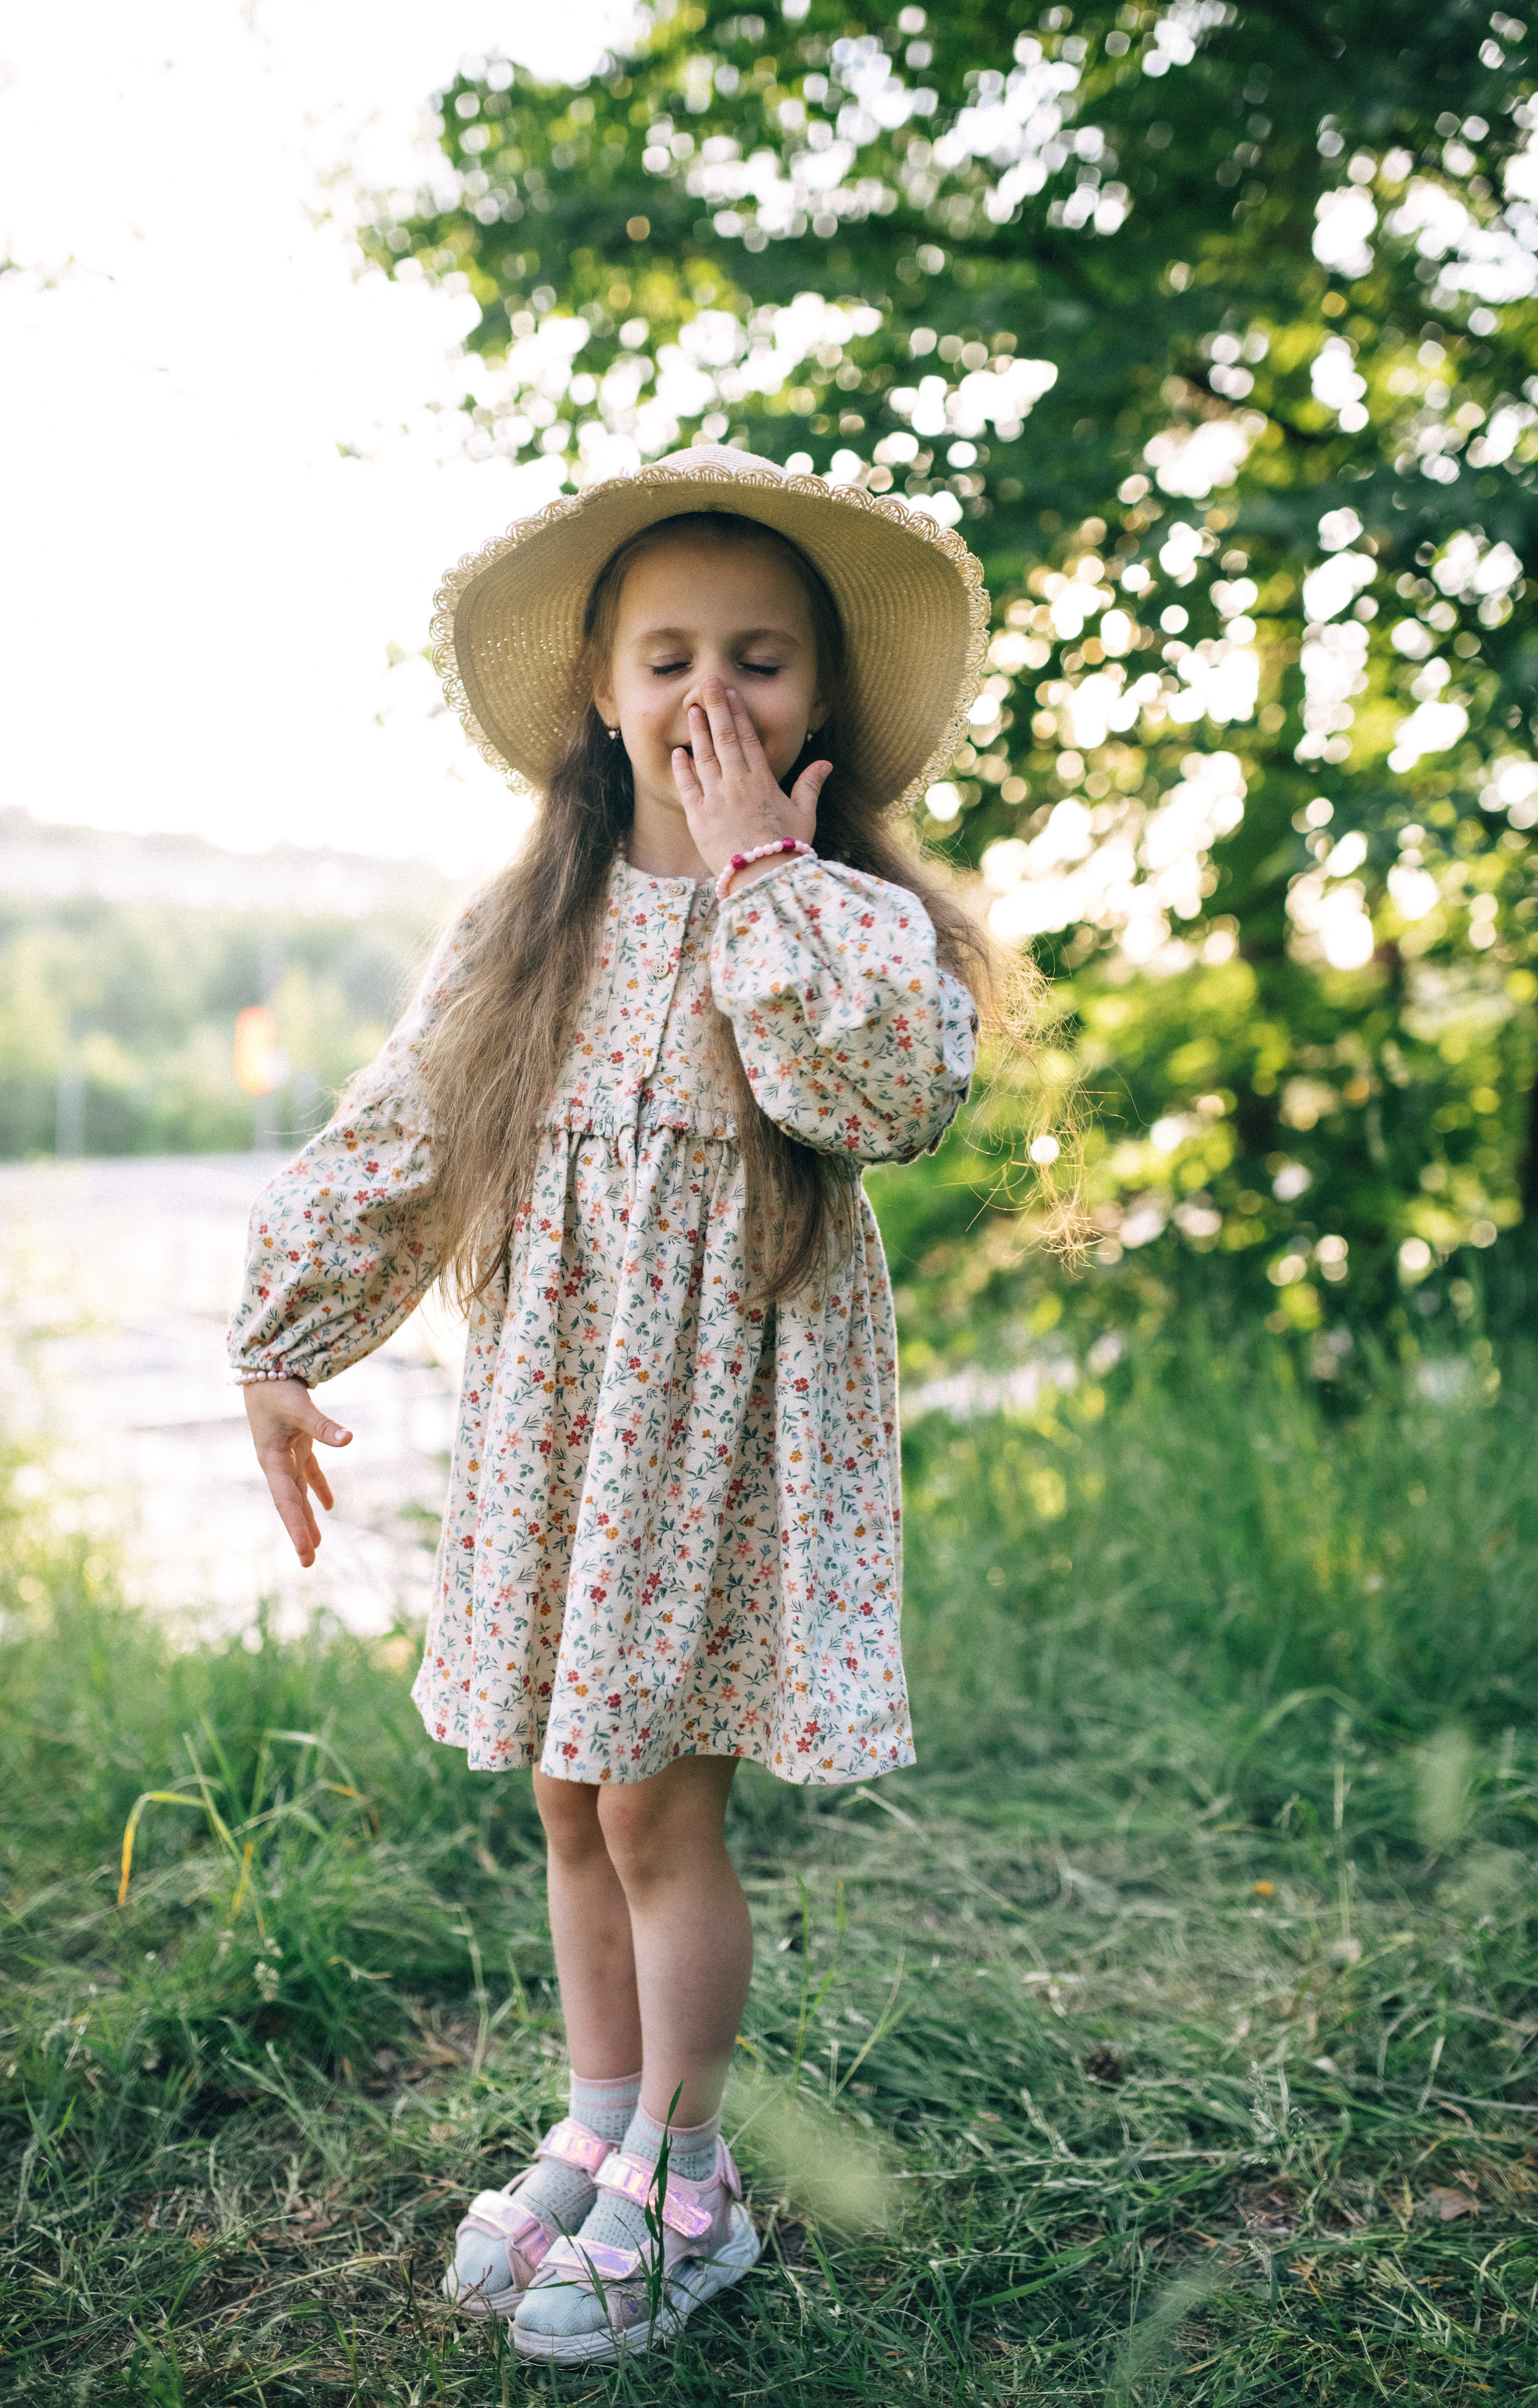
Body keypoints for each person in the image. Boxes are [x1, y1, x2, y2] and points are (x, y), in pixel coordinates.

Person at [229, 441, 1007, 2365]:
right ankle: (599, 2127)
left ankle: (692, 2173)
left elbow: (882, 1092)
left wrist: (759, 870)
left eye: (759, 658)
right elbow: (409, 1135)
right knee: (570, 1793)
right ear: (600, 688)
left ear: (819, 698)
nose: (710, 695)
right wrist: (283, 1339)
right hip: (562, 1432)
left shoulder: (839, 915)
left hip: (717, 1442)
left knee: (658, 1807)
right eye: (670, 658)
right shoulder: (532, 925)